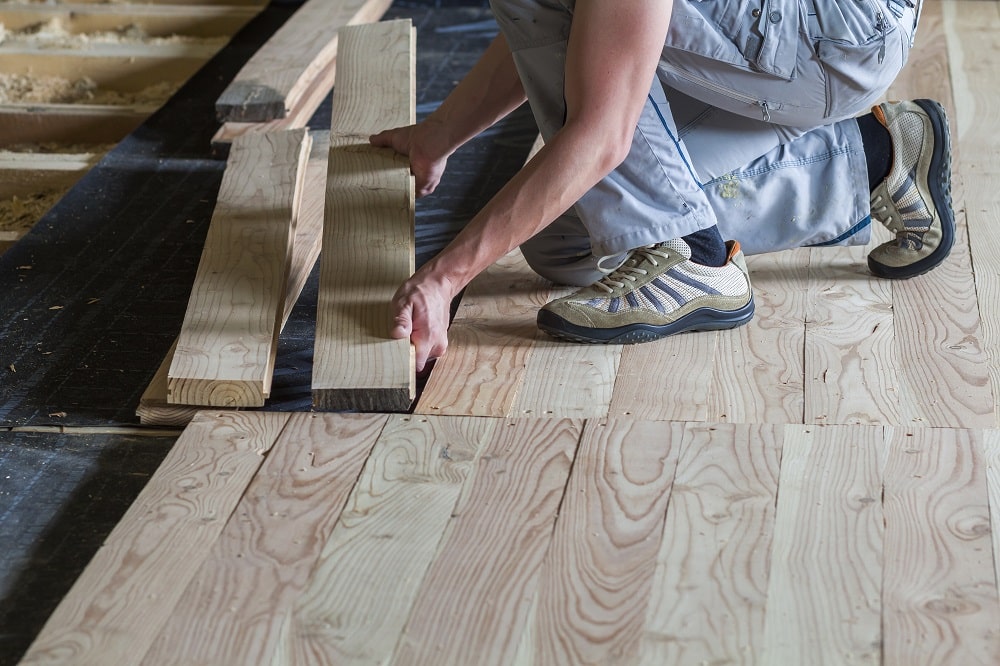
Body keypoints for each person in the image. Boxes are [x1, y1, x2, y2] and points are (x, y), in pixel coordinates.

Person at [371, 0, 950, 373]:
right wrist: (437, 137)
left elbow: (601, 135)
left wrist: (444, 279)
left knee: (609, 187)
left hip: (835, 32)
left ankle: (690, 254)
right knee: (568, 242)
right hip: (816, 27)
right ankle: (873, 156)